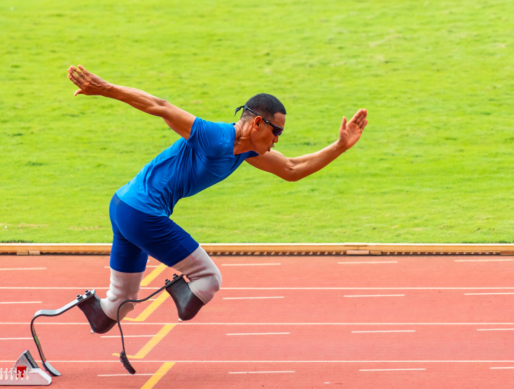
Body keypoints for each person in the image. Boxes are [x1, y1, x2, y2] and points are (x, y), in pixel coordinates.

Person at [66, 64, 368, 333]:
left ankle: (88, 310)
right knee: (208, 279)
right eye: (277, 132)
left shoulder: (247, 152)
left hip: (122, 206)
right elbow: (160, 105)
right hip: (143, 213)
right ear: (258, 123)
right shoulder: (213, 136)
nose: (277, 140)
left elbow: (291, 169)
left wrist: (340, 146)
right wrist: (105, 89)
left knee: (120, 305)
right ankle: (179, 292)